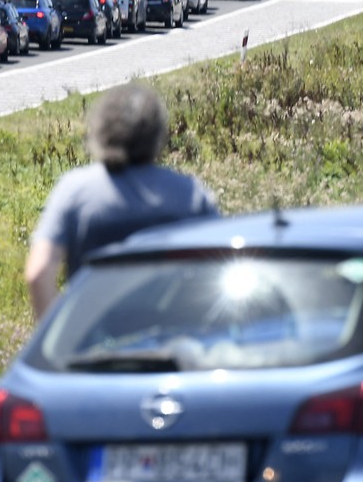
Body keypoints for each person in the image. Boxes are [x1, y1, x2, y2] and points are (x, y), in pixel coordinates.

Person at [25, 83, 219, 320]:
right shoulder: (190, 194)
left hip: (94, 342)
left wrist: (58, 341)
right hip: (173, 338)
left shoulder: (74, 192)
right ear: (158, 134)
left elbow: (38, 273)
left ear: (100, 130)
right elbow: (220, 273)